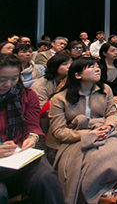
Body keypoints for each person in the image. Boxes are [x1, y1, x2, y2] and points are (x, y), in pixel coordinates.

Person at [46, 57, 117, 204]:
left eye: (97, 66)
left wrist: (108, 126)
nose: (97, 69)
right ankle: (99, 195)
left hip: (104, 131)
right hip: (75, 137)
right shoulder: (59, 99)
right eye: (90, 67)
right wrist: (88, 134)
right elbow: (59, 131)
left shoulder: (105, 90)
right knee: (96, 158)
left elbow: (112, 114)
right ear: (77, 75)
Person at [0, 54, 64, 204]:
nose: (8, 84)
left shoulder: (26, 96)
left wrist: (32, 137)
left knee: (47, 179)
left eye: (14, 78)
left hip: (18, 155)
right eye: (2, 79)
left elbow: (33, 125)